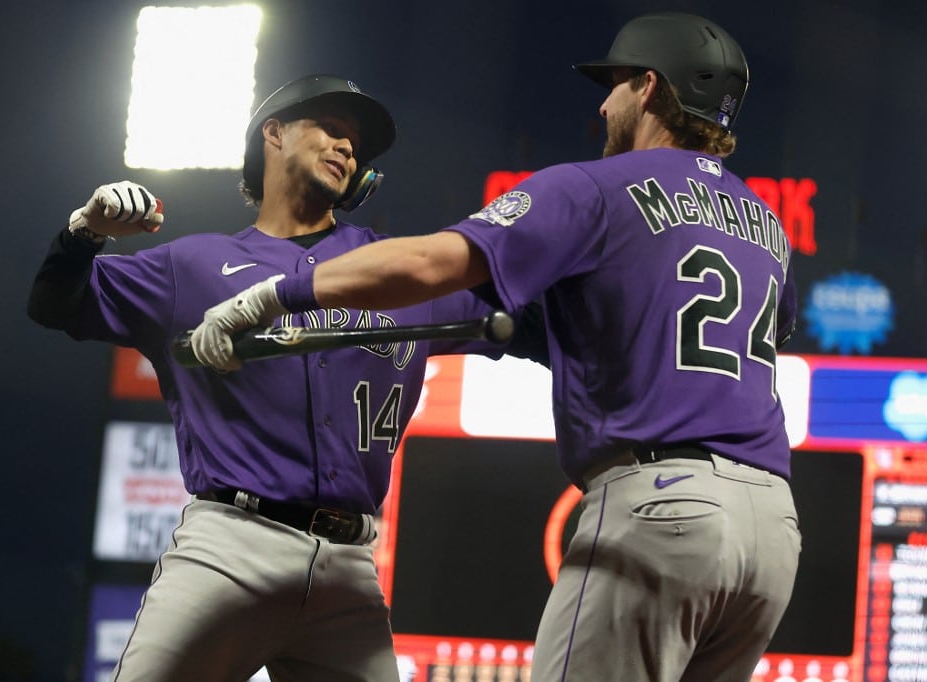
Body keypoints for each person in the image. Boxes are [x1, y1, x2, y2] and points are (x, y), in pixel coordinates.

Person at [191, 13, 801, 682]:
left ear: (650, 87)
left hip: (663, 505)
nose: (604, 103)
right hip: (771, 532)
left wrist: (278, 294)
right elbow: (746, 329)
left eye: (617, 85)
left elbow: (432, 263)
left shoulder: (597, 187)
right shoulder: (765, 224)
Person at [27, 73, 545, 682]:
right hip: (228, 549)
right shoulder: (190, 266)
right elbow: (54, 304)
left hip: (350, 566)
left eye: (357, 144)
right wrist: (84, 232)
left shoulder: (398, 272)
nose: (349, 147)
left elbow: (534, 324)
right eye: (332, 128)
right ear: (273, 134)